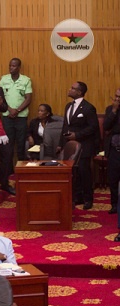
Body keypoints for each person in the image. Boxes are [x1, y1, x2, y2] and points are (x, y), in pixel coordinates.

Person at [58, 81, 99, 210]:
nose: (69, 89)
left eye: (72, 88)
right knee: (74, 173)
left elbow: (93, 127)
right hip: (70, 146)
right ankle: (78, 196)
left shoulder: (88, 108)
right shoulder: (68, 106)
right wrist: (60, 144)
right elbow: (65, 126)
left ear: (79, 92)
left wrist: (77, 135)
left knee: (84, 172)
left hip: (84, 145)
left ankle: (88, 199)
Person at [0, 58, 32, 165]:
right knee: (7, 146)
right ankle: (8, 173)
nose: (11, 68)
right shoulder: (3, 79)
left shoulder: (26, 80)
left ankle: (21, 173)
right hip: (7, 117)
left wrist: (17, 110)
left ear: (19, 67)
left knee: (21, 146)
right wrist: (10, 110)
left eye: (14, 66)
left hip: (21, 118)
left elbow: (28, 98)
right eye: (10, 66)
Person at [104, 88, 120, 216]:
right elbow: (106, 126)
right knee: (113, 179)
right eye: (116, 96)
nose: (117, 99)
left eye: (119, 97)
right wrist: (114, 111)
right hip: (113, 149)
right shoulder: (110, 109)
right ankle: (114, 204)